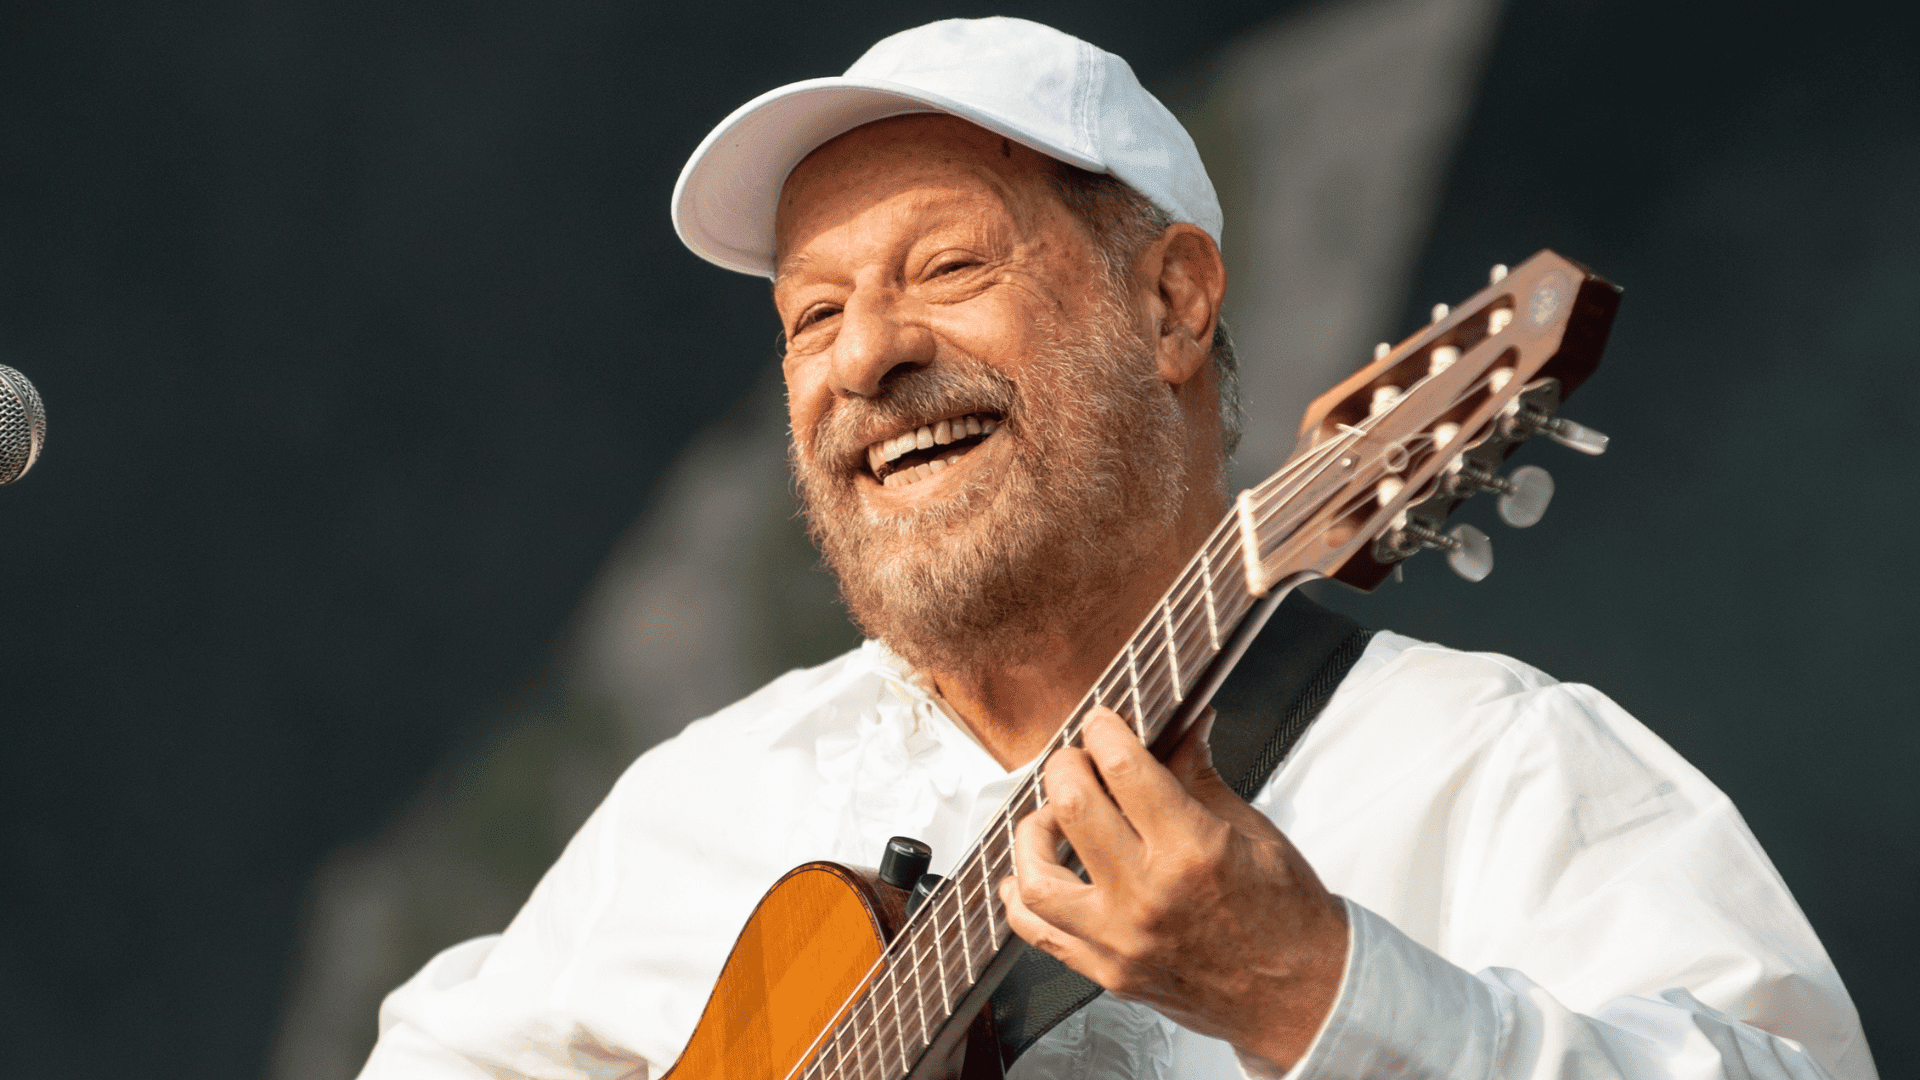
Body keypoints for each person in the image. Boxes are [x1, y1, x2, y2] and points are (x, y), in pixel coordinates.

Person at [358, 17, 1874, 1080]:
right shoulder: (703, 798)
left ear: (1171, 303)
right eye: (811, 314)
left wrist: (1323, 990)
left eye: (946, 267)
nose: (866, 353)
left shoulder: (1489, 769)